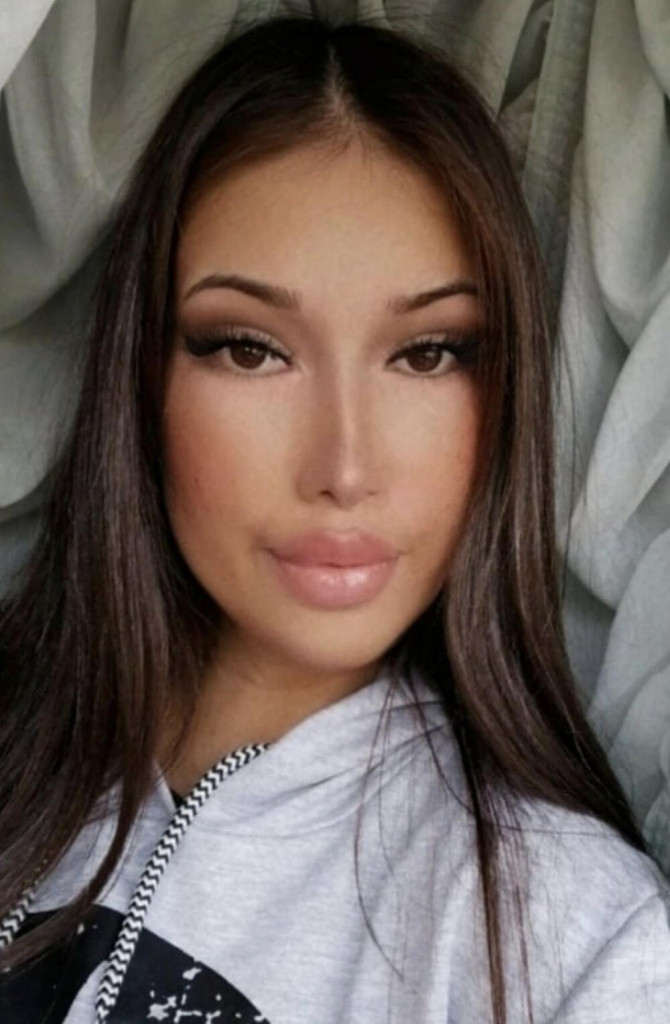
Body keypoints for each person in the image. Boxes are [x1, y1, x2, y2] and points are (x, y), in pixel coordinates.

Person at [0, 11, 668, 1024]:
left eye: (429, 353)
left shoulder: (585, 947)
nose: (345, 468)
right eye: (250, 348)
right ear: (141, 373)